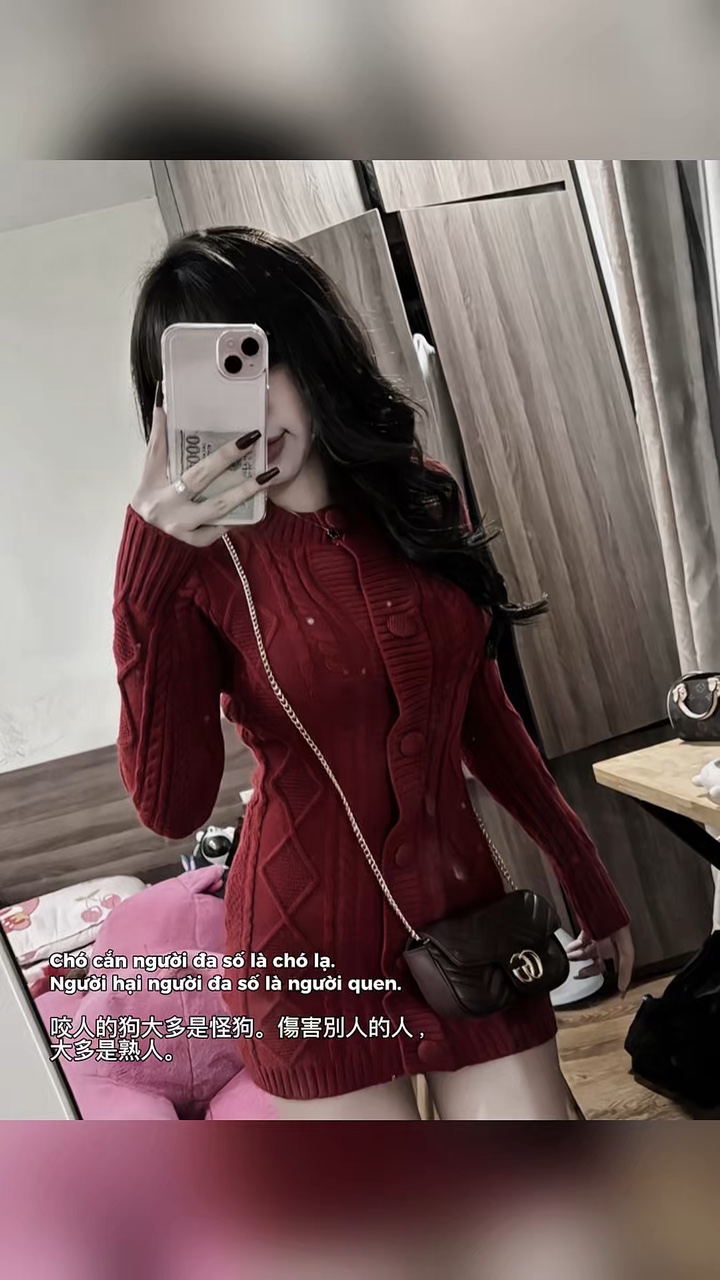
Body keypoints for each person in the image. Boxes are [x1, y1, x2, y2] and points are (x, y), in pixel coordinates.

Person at [114, 226, 633, 1120]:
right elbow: (171, 808)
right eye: (208, 383)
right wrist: (143, 583)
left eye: (253, 360)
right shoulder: (194, 565)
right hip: (303, 957)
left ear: (312, 351)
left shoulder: (420, 496)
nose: (246, 405)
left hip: (467, 924)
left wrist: (580, 866)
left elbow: (482, 712)